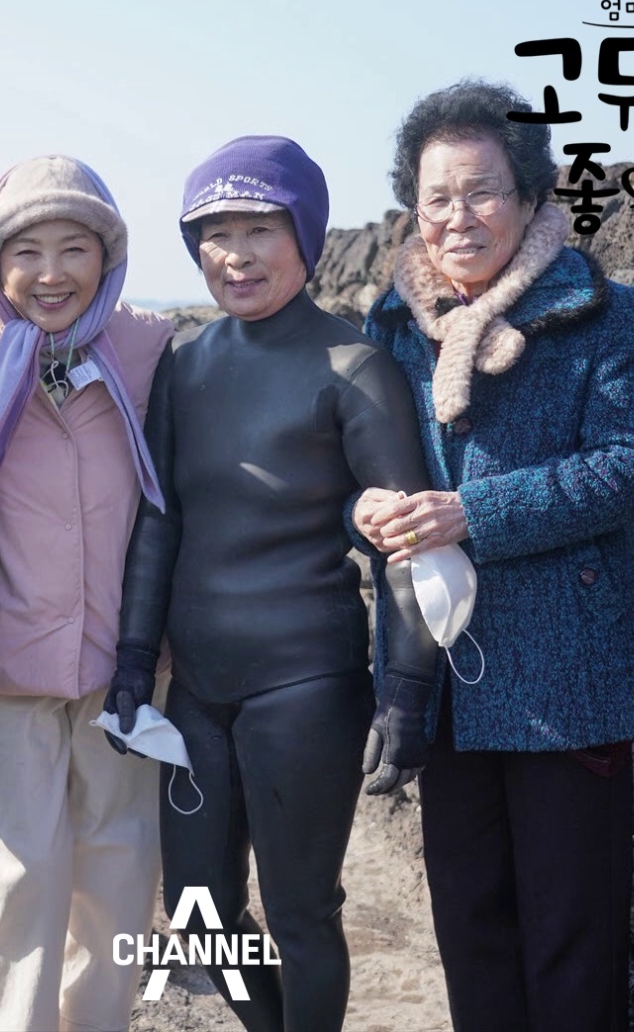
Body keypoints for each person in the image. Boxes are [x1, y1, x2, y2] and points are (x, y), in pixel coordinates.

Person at [350, 80, 634, 1032]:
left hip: (569, 669)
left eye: (483, 190)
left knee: (573, 931)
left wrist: (472, 513)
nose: (458, 218)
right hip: (447, 667)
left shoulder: (604, 313)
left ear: (531, 197)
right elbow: (362, 470)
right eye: (437, 197)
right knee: (472, 919)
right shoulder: (392, 327)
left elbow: (633, 469)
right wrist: (364, 509)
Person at [114, 136, 440, 1032]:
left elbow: (403, 539)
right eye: (214, 233)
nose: (236, 253)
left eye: (260, 228)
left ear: (305, 236)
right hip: (198, 691)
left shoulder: (354, 367)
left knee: (300, 912)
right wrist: (136, 656)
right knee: (198, 910)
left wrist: (407, 691)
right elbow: (160, 519)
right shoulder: (186, 363)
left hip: (305, 680)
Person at [0, 155, 176, 1032]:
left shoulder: (146, 344)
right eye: (27, 252)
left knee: (120, 870)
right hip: (3, 664)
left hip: (124, 666)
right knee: (19, 873)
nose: (50, 274)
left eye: (75, 248)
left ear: (108, 255)